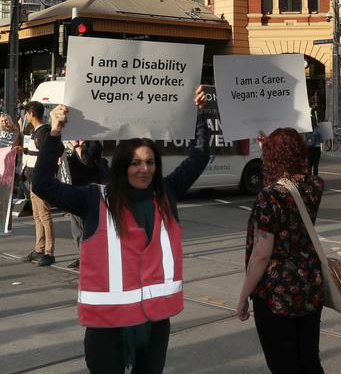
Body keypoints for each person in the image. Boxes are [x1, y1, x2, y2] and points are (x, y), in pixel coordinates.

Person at [31, 87, 209, 374]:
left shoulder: (167, 194)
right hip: (106, 327)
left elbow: (198, 158)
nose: (144, 169)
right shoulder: (94, 198)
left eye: (150, 162)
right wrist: (54, 133)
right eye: (136, 162)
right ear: (122, 166)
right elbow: (41, 184)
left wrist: (199, 114)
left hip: (154, 325)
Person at [237, 128, 326, 374]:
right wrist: (270, 145)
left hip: (276, 293)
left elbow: (261, 255)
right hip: (309, 284)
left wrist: (244, 295)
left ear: (273, 157)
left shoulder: (270, 196)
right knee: (309, 360)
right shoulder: (314, 185)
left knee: (283, 364)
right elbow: (290, 190)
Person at [22, 101, 60, 267]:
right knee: (37, 216)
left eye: (26, 113)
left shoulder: (43, 133)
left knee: (44, 216)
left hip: (41, 182)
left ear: (30, 114)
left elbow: (54, 151)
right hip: (34, 181)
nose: (25, 116)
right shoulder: (36, 132)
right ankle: (39, 249)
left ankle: (49, 253)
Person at [64, 140, 109, 269]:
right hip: (75, 190)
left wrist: (77, 147)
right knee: (77, 228)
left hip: (90, 191)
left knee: (89, 227)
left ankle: (92, 257)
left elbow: (87, 162)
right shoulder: (77, 145)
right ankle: (82, 255)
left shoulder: (93, 144)